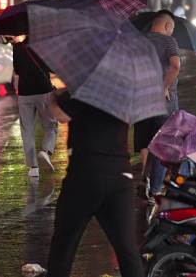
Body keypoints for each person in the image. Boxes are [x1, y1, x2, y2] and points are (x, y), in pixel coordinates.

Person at [46, 89, 143, 277]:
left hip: (84, 176)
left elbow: (59, 114)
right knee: (127, 250)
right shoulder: (125, 92)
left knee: (63, 247)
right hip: (120, 177)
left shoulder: (84, 90)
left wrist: (53, 96)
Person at [133, 10, 180, 201]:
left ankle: (146, 180)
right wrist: (164, 86)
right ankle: (155, 189)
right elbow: (175, 66)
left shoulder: (138, 41)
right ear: (167, 26)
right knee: (161, 144)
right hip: (164, 103)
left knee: (144, 143)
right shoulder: (169, 42)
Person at [12, 35, 58, 178]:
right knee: (51, 125)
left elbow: (18, 70)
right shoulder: (44, 45)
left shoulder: (17, 48)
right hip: (43, 91)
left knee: (27, 129)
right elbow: (53, 68)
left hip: (25, 92)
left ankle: (33, 167)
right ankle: (46, 150)